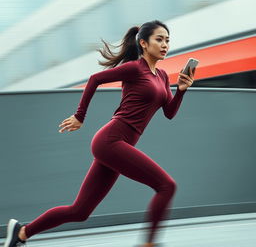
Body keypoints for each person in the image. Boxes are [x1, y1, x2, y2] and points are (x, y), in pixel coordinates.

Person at [4, 20, 195, 247]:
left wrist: (181, 91)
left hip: (119, 145)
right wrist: (80, 116)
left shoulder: (163, 76)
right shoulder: (135, 68)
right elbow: (95, 79)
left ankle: (22, 233)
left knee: (80, 210)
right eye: (159, 39)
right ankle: (149, 244)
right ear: (143, 43)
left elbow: (169, 113)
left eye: (167, 40)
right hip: (111, 140)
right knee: (166, 186)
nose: (165, 44)